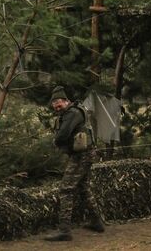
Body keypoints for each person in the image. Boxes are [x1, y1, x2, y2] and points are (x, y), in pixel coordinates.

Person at [44, 86, 105, 241]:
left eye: (59, 104)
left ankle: (64, 231)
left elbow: (62, 135)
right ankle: (97, 222)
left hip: (81, 156)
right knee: (83, 188)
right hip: (85, 154)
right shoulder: (72, 112)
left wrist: (56, 141)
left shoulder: (72, 113)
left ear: (66, 101)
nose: (57, 107)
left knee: (66, 189)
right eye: (54, 105)